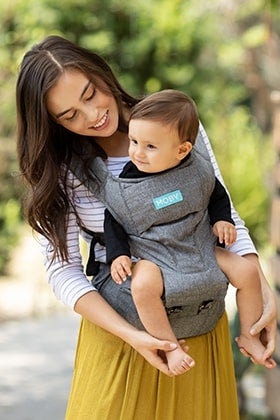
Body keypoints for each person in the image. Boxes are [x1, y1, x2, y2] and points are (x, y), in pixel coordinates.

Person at [16, 35, 277, 420]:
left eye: (90, 95)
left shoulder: (171, 122)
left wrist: (263, 297)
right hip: (124, 332)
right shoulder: (62, 168)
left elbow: (222, 212)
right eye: (69, 115)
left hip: (199, 323)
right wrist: (136, 337)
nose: (91, 116)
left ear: (102, 75)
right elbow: (63, 270)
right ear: (53, 122)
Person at [100, 89, 271, 373]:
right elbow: (113, 218)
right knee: (142, 286)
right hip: (155, 258)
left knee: (247, 272)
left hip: (198, 248)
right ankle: (171, 346)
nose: (137, 153)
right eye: (133, 141)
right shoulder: (128, 180)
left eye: (150, 147)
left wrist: (221, 220)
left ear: (182, 150)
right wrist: (118, 255)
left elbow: (216, 193)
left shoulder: (197, 171)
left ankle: (250, 336)